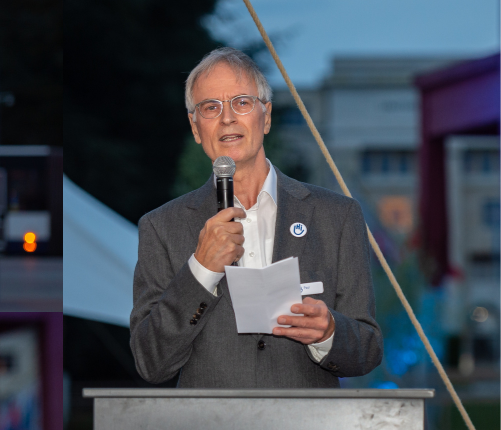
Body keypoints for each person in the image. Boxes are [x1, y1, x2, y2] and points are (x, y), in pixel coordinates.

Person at [128, 47, 382, 387]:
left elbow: (367, 349)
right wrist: (201, 269)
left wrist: (329, 333)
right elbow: (150, 362)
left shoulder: (336, 216)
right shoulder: (161, 227)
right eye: (210, 107)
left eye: (242, 102)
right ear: (195, 127)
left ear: (267, 116)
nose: (227, 117)